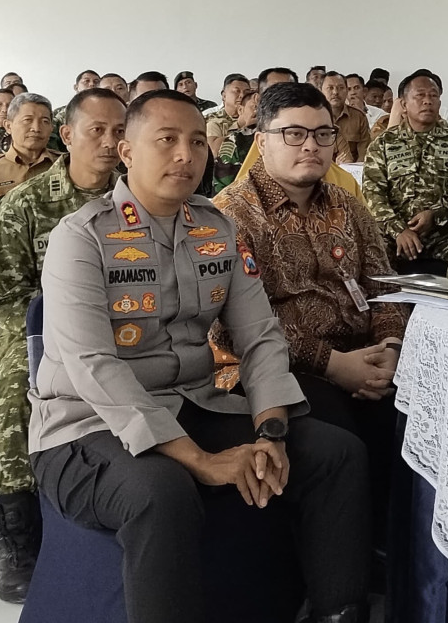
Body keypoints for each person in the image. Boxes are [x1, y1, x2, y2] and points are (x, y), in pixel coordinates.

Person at [30, 90, 373, 623]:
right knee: (161, 492)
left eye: (195, 142)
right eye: (166, 140)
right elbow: (93, 366)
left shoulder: (217, 227)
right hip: (85, 426)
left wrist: (270, 431)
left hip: (194, 405)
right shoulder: (81, 238)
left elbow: (260, 336)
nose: (185, 155)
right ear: (126, 150)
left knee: (336, 453)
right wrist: (202, 461)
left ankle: (337, 612)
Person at [212, 83, 408, 540]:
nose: (311, 146)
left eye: (323, 134)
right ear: (262, 141)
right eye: (294, 134)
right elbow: (231, 326)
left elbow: (383, 286)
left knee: (426, 413)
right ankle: (356, 554)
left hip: (365, 355)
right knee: (346, 432)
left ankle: (404, 550)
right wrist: (333, 364)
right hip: (274, 369)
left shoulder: (348, 205)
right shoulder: (230, 215)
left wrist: (390, 346)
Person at [0, 88, 125, 602]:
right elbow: (3, 294)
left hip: (125, 328)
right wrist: (62, 335)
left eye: (119, 131)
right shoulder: (24, 203)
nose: (109, 143)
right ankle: (18, 541)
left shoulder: (134, 201)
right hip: (39, 333)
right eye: (97, 131)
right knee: (12, 397)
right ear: (67, 136)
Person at [364, 71, 448, 274]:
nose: (427, 101)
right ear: (404, 104)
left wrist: (436, 214)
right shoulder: (383, 144)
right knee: (366, 263)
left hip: (445, 235)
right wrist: (399, 230)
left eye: (433, 95)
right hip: (393, 235)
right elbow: (373, 193)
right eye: (420, 95)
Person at [0, 94, 60, 205]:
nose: (36, 128)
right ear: (8, 126)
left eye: (45, 121)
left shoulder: (67, 164)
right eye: (27, 120)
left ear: (51, 128)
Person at [212, 89, 259, 194]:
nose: (259, 111)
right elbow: (222, 191)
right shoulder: (236, 140)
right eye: (255, 107)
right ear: (240, 110)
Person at [321, 71, 372, 164]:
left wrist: (350, 168)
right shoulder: (314, 118)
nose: (335, 92)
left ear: (346, 91)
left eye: (341, 88)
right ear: (320, 91)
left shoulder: (358, 117)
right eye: (330, 88)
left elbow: (364, 154)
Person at [205, 74, 251, 153]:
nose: (242, 95)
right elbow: (213, 150)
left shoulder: (256, 117)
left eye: (246, 92)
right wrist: (240, 125)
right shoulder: (213, 120)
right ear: (224, 96)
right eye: (237, 91)